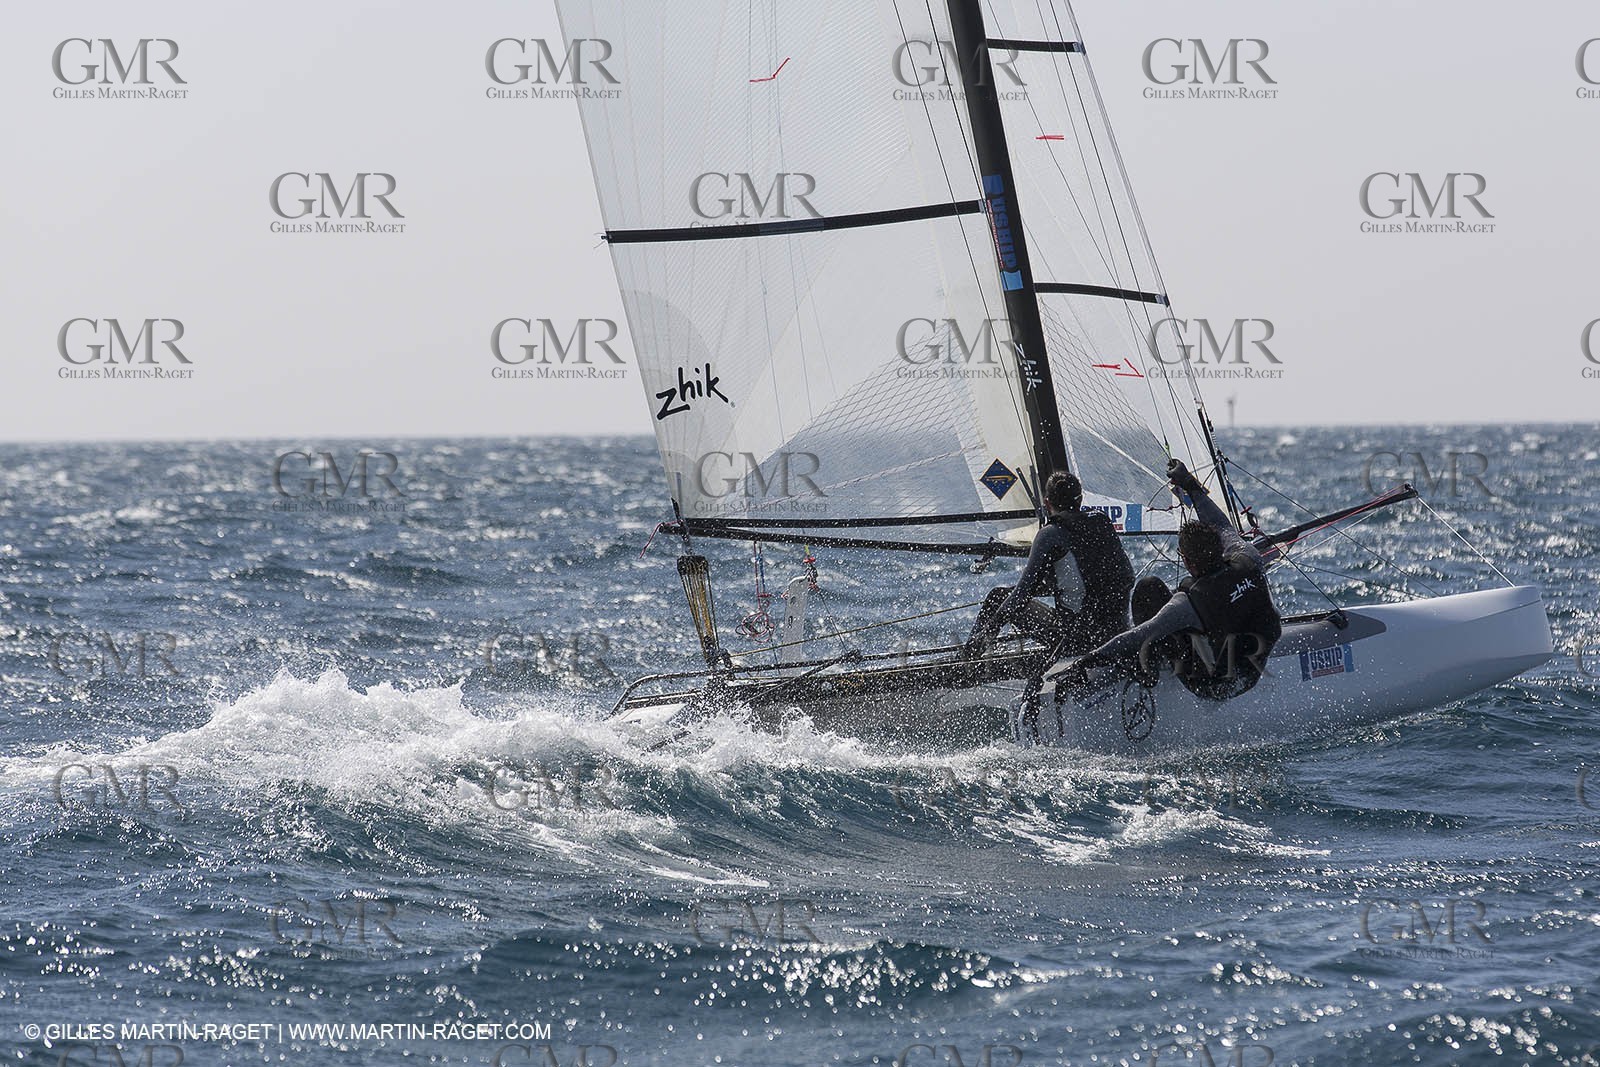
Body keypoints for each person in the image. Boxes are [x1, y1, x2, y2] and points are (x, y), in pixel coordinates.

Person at [1066, 459, 1282, 699]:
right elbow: (1221, 524)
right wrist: (1190, 485)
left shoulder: (1187, 604)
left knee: (1150, 589)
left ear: (1187, 561)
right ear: (1219, 548)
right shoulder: (1248, 558)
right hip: (1251, 674)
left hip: (1212, 687)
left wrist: (1086, 661)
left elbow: (1139, 635)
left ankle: (1146, 671)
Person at [965, 471, 1135, 658]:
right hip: (1118, 633)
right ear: (1080, 499)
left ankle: (968, 659)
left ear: (1046, 503)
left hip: (1074, 641)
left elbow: (1021, 596)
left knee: (999, 597)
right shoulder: (1102, 522)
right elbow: (1089, 579)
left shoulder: (1051, 535)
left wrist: (987, 632)